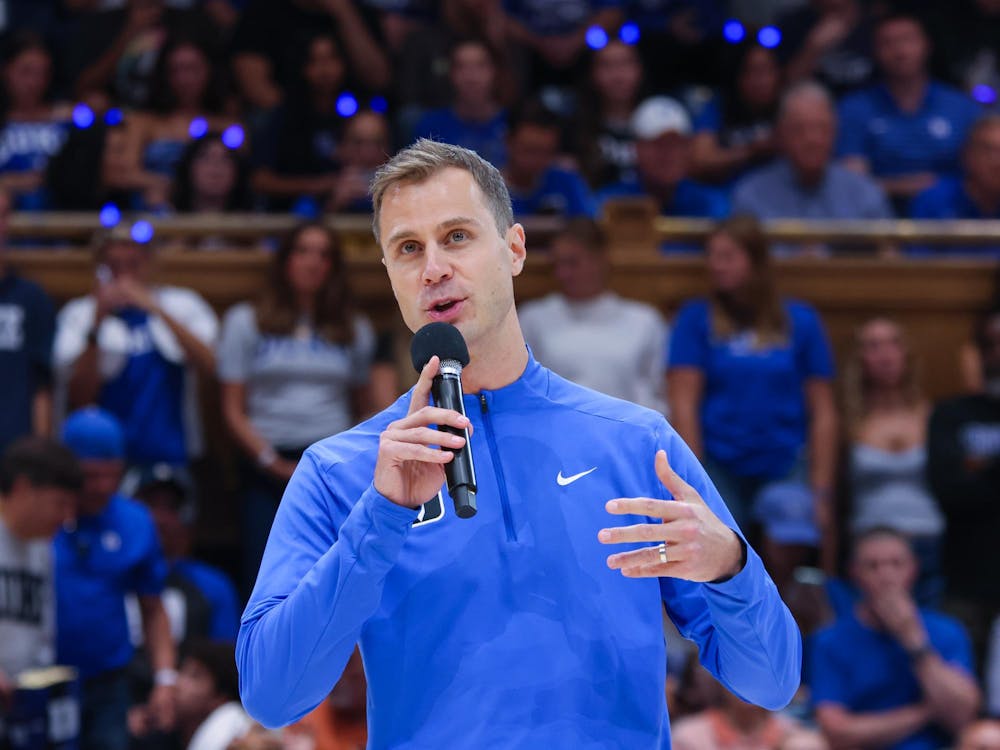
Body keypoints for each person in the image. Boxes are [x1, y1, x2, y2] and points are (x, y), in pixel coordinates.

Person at [236, 139, 801, 746]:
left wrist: (733, 570)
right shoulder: (341, 471)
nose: (433, 268)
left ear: (514, 249)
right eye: (407, 249)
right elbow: (272, 696)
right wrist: (380, 517)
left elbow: (771, 682)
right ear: (391, 277)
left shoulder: (637, 444)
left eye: (456, 236)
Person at [667, 216, 838, 588]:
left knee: (792, 525)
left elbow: (823, 412)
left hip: (785, 458)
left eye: (727, 256)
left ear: (756, 260)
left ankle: (787, 617)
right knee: (716, 557)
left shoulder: (800, 321)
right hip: (720, 461)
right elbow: (685, 404)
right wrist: (693, 483)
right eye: (712, 256)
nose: (716, 265)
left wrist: (822, 489)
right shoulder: (696, 319)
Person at [217, 222, 376, 596]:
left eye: (324, 255)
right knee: (265, 573)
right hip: (266, 464)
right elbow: (232, 409)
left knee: (332, 573)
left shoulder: (354, 327)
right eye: (304, 251)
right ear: (285, 260)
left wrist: (341, 463)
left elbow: (364, 409)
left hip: (330, 466)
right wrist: (273, 462)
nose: (314, 262)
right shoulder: (246, 321)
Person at [57, 407, 177, 750]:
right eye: (90, 475)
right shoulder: (39, 515)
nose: (101, 487)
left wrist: (165, 679)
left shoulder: (136, 521)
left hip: (108, 681)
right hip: (44, 678)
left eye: (111, 474)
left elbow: (153, 608)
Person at [54, 229, 219, 471]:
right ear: (99, 269)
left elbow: (210, 364)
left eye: (134, 264)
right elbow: (79, 396)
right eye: (114, 265)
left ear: (150, 264)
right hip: (102, 463)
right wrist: (97, 321)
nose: (124, 274)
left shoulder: (183, 304)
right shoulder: (78, 314)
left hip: (169, 455)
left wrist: (155, 308)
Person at [810, 527, 980, 750]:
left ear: (913, 569)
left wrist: (914, 641)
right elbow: (836, 731)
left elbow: (963, 716)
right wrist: (925, 712)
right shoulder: (830, 640)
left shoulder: (947, 631)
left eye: (896, 564)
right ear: (854, 573)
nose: (886, 576)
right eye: (873, 566)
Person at [841, 317, 944, 604]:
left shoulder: (932, 415)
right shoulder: (847, 422)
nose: (885, 354)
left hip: (929, 541)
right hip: (870, 548)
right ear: (859, 358)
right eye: (873, 346)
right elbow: (830, 496)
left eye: (893, 344)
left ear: (906, 354)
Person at [836, 12, 982, 214]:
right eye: (888, 43)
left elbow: (980, 174)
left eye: (908, 40)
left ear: (927, 45)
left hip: (952, 216)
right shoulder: (854, 108)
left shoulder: (962, 107)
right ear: (875, 52)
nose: (900, 51)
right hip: (876, 218)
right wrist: (904, 186)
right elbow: (851, 182)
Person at [518, 217, 668, 412]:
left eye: (572, 263)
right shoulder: (533, 318)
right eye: (557, 264)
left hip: (624, 432)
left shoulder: (644, 320)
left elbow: (657, 395)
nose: (562, 274)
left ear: (600, 260)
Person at [732, 82, 892, 254]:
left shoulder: (865, 194)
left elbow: (889, 260)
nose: (812, 139)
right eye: (799, 129)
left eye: (821, 128)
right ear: (780, 134)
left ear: (835, 131)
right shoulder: (750, 196)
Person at [927, 304, 1000, 668]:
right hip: (966, 579)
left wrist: (982, 469)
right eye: (992, 344)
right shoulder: (951, 415)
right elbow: (949, 492)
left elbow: (969, 487)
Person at [0, 437, 81, 697]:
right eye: (60, 504)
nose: (67, 518)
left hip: (19, 703)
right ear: (23, 488)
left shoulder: (43, 548)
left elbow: (43, 633)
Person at [130, 463, 240, 645]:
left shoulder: (213, 587)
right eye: (150, 504)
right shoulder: (107, 578)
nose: (160, 519)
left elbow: (225, 661)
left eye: (171, 507)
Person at [230, 0, 389, 113]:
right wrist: (303, 116)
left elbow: (378, 79)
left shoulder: (360, 12)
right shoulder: (262, 11)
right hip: (288, 118)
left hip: (353, 119)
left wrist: (343, 11)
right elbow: (255, 88)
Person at [597, 96, 729, 227]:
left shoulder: (713, 204)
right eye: (658, 145)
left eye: (677, 144)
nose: (669, 155)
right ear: (637, 149)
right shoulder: (609, 204)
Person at [0, 189, 55, 455]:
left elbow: (42, 387)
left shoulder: (31, 298)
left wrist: (39, 454)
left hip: (14, 458)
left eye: (1, 215)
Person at [690, 41, 780, 187]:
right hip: (727, 197)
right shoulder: (717, 107)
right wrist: (750, 152)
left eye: (768, 71)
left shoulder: (790, 108)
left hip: (780, 197)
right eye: (753, 71)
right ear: (737, 76)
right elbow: (700, 160)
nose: (762, 81)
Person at [0, 32, 72, 211]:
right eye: (26, 72)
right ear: (5, 70)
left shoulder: (68, 117)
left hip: (60, 214)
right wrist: (8, 182)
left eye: (42, 74)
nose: (34, 82)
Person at [909, 115, 1000, 256]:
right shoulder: (933, 200)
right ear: (967, 154)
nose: (996, 162)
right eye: (987, 150)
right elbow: (916, 266)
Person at [411, 38, 508, 169]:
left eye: (480, 66)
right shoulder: (430, 126)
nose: (471, 77)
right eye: (461, 67)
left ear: (495, 71)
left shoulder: (513, 123)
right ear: (451, 74)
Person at [573, 37, 646, 190]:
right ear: (592, 73)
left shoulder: (659, 123)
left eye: (625, 63)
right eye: (607, 66)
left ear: (640, 69)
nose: (618, 76)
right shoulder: (575, 127)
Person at [501, 103, 596, 218]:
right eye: (530, 151)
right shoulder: (485, 190)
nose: (537, 160)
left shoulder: (567, 182)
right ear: (508, 143)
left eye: (546, 152)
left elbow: (588, 224)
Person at [778, 0, 875, 96]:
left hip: (872, 105)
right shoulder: (793, 24)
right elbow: (786, 86)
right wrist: (813, 48)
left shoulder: (875, 16)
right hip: (814, 104)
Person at [671, 681, 797, 750]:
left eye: (758, 676)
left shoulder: (794, 735)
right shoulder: (687, 737)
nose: (749, 687)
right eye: (740, 676)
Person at [173, 639, 252, 750]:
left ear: (221, 698)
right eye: (181, 671)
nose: (178, 683)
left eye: (194, 676)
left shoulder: (232, 725)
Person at [324, 109, 392, 215]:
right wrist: (335, 205)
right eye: (358, 143)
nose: (367, 153)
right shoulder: (318, 196)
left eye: (377, 143)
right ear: (342, 147)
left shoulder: (401, 192)